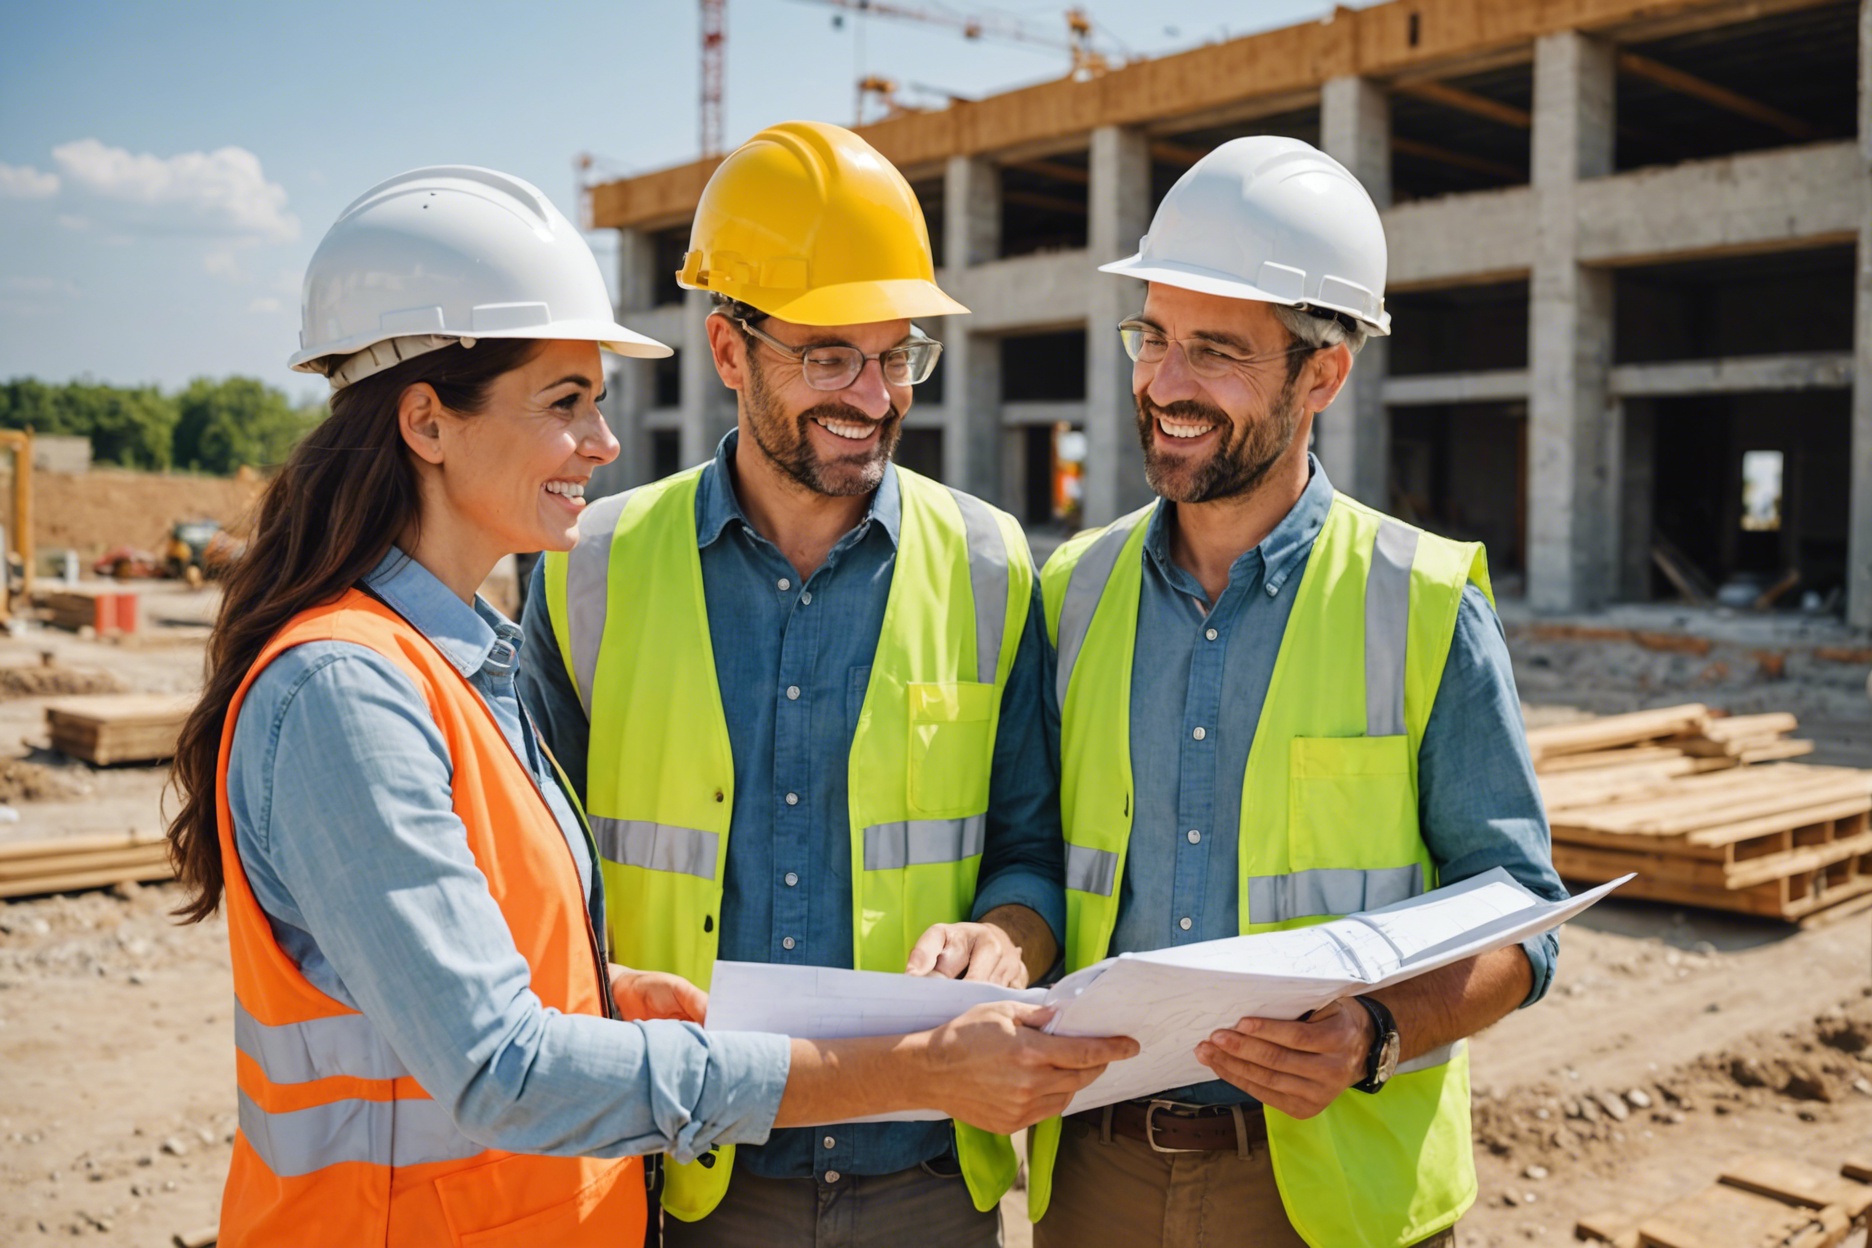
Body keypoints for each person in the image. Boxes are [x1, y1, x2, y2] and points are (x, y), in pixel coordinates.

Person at [163, 165, 1135, 1248]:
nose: (606, 443)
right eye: (566, 403)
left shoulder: (448, 666)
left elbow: (488, 966)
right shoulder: (357, 689)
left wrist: (600, 987)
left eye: (896, 355)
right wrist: (904, 1068)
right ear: (429, 424)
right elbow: (501, 1066)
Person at [518, 120, 1064, 1247]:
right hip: (680, 1170)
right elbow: (530, 877)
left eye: (897, 354)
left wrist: (1012, 937)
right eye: (829, 357)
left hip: (926, 1173)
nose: (873, 395)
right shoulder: (594, 567)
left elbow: (1033, 847)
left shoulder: (990, 564)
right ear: (728, 350)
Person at [1024, 136, 1570, 1247]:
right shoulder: (1073, 592)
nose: (1166, 384)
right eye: (1155, 337)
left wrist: (1375, 1032)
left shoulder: (1421, 604)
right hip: (1096, 1174)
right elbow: (1033, 853)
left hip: (1335, 1194)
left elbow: (1521, 918)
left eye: (1216, 352)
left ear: (1323, 372)